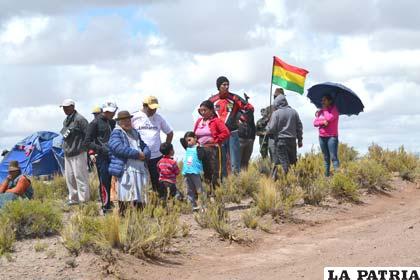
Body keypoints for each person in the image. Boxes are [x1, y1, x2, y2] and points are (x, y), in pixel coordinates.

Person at [209, 76, 254, 175]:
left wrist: (243, 119)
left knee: (235, 163)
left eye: (228, 84)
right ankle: (225, 187)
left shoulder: (235, 98)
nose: (227, 86)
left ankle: (236, 186)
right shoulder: (212, 100)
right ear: (218, 86)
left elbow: (250, 108)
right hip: (219, 135)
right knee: (221, 162)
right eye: (224, 84)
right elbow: (206, 112)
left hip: (232, 134)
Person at [108, 111, 151, 215]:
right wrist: (137, 154)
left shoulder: (135, 133)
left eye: (128, 120)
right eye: (124, 120)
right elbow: (117, 148)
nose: (127, 122)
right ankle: (124, 217)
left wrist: (145, 154)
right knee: (126, 193)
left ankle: (140, 216)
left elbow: (144, 146)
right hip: (126, 169)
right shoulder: (116, 133)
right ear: (119, 122)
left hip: (139, 169)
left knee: (140, 193)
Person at [131, 96, 174, 197]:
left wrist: (165, 150)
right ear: (145, 106)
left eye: (155, 108)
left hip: (157, 156)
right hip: (141, 155)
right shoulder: (134, 116)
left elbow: (170, 133)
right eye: (151, 108)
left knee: (158, 181)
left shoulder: (158, 118)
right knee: (141, 181)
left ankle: (161, 202)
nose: (153, 110)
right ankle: (143, 203)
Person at [85, 101, 117, 213]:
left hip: (113, 155)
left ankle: (113, 202)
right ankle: (106, 206)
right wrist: (99, 150)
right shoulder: (94, 123)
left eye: (113, 111)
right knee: (104, 181)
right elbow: (87, 142)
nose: (112, 114)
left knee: (115, 180)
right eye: (109, 112)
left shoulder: (113, 122)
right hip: (101, 157)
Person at [192, 100, 230, 194]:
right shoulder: (198, 121)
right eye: (201, 111)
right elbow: (194, 134)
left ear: (211, 111)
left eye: (205, 110)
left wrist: (216, 140)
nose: (202, 112)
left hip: (213, 150)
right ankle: (206, 195)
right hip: (200, 150)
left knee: (214, 173)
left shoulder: (216, 121)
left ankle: (216, 195)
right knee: (204, 173)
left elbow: (226, 133)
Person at [60, 98, 90, 205]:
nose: (64, 110)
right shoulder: (66, 120)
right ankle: (73, 199)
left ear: (72, 107)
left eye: (66, 107)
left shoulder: (80, 119)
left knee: (80, 176)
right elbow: (65, 135)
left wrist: (86, 149)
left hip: (78, 152)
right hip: (68, 153)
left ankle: (84, 200)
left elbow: (88, 134)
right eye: (63, 108)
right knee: (70, 177)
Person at [266, 95, 303, 177]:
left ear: (277, 103)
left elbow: (271, 128)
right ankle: (294, 179)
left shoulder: (276, 113)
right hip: (292, 140)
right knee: (293, 162)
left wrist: (267, 127)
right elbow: (299, 126)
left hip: (280, 140)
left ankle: (286, 181)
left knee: (283, 163)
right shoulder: (294, 112)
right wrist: (300, 140)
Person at [313, 94, 340, 177]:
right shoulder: (320, 112)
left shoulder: (334, 110)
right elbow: (315, 123)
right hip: (322, 137)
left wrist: (325, 110)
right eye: (322, 100)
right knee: (326, 158)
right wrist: (322, 122)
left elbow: (328, 118)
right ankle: (326, 177)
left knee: (333, 157)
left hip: (331, 137)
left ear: (330, 101)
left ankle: (338, 178)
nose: (322, 102)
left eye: (324, 100)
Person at [181, 132, 204, 210]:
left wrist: (198, 146)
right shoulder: (187, 148)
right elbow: (181, 140)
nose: (188, 142)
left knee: (199, 189)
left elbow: (201, 157)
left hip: (196, 172)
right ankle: (191, 206)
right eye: (186, 141)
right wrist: (187, 138)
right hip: (187, 172)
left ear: (195, 138)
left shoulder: (198, 148)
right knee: (189, 190)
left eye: (190, 140)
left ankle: (203, 206)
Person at [238, 94, 256, 170]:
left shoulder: (250, 113)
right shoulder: (235, 112)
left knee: (245, 162)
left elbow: (253, 125)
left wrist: (252, 138)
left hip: (249, 140)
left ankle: (245, 178)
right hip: (239, 139)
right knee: (237, 161)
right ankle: (236, 179)